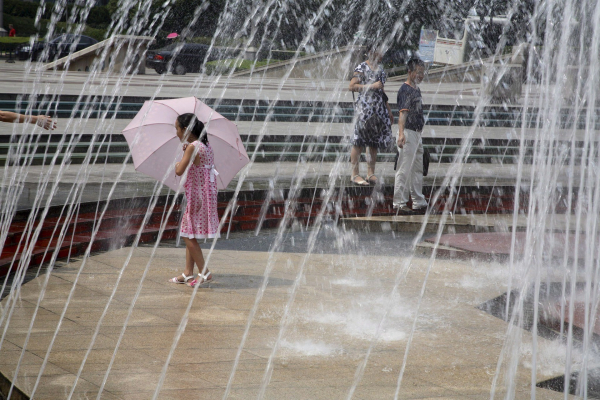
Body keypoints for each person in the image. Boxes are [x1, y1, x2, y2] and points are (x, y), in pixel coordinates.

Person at [169, 113, 220, 288]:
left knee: (186, 234)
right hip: (207, 195)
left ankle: (204, 271)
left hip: (198, 195)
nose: (176, 132)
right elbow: (200, 164)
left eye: (176, 128)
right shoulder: (205, 145)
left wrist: (178, 163)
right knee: (190, 231)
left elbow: (179, 171)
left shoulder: (192, 146)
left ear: (185, 129)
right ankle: (188, 272)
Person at [348, 44, 394, 186]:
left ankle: (370, 173)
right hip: (364, 111)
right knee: (359, 141)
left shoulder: (380, 70)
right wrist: (371, 86)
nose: (382, 54)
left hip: (378, 110)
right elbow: (352, 86)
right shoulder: (362, 67)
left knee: (374, 142)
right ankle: (354, 174)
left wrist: (389, 110)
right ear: (371, 52)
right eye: (380, 51)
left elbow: (382, 92)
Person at [393, 58, 428, 214]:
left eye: (422, 72)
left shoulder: (416, 89)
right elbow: (403, 114)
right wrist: (401, 134)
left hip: (417, 133)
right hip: (407, 132)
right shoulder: (405, 89)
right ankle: (399, 204)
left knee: (417, 169)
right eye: (418, 72)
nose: (421, 75)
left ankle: (418, 202)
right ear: (410, 72)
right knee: (404, 168)